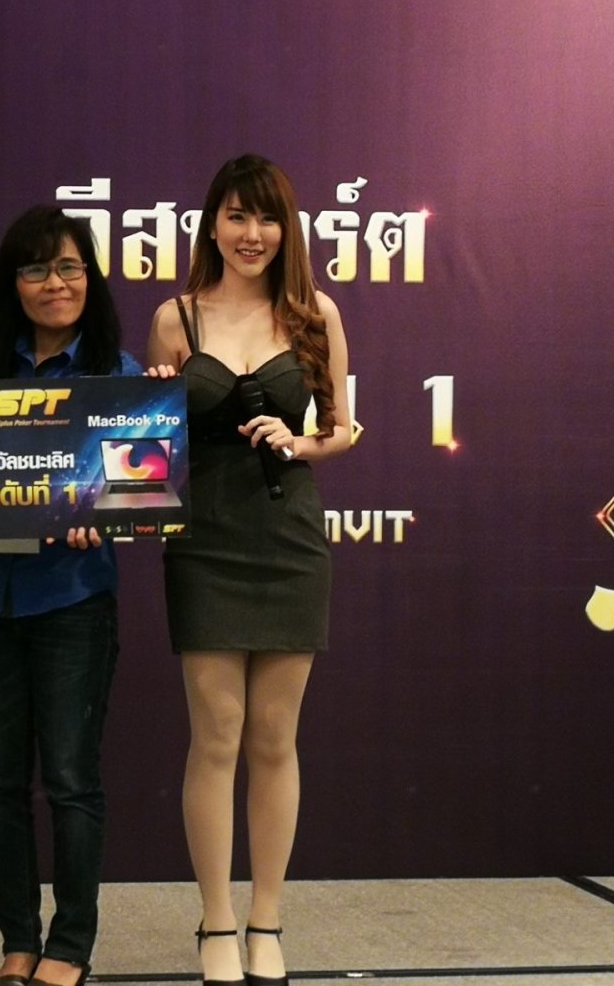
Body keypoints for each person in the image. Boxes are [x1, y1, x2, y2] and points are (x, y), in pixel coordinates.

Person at [0, 206, 172, 986]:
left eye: (68, 267)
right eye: (35, 269)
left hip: (72, 603)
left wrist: (101, 515)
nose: (54, 283)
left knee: (71, 782)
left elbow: (137, 491)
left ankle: (70, 946)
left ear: (90, 277)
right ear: (12, 285)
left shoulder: (120, 376)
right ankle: (17, 941)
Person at [146, 155, 353, 986]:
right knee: (217, 734)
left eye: (266, 218)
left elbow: (340, 428)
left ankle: (267, 917)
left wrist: (300, 442)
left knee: (274, 735)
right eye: (236, 215)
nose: (252, 233)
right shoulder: (174, 318)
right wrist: (155, 401)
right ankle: (216, 921)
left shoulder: (315, 312)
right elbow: (147, 451)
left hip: (288, 536)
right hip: (203, 540)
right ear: (212, 224)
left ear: (286, 229)